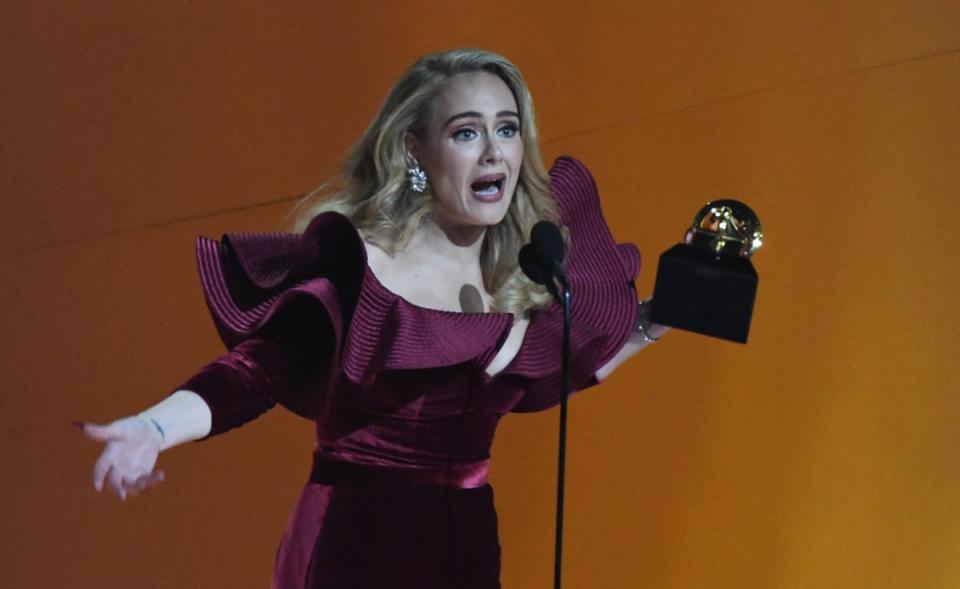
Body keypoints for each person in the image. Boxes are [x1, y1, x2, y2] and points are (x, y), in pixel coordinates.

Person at [81, 48, 668, 588]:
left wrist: (658, 317)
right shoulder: (362, 267)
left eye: (507, 130)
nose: (495, 152)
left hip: (466, 547)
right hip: (357, 544)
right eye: (467, 132)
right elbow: (257, 368)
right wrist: (154, 429)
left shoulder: (522, 270)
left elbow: (563, 366)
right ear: (415, 151)